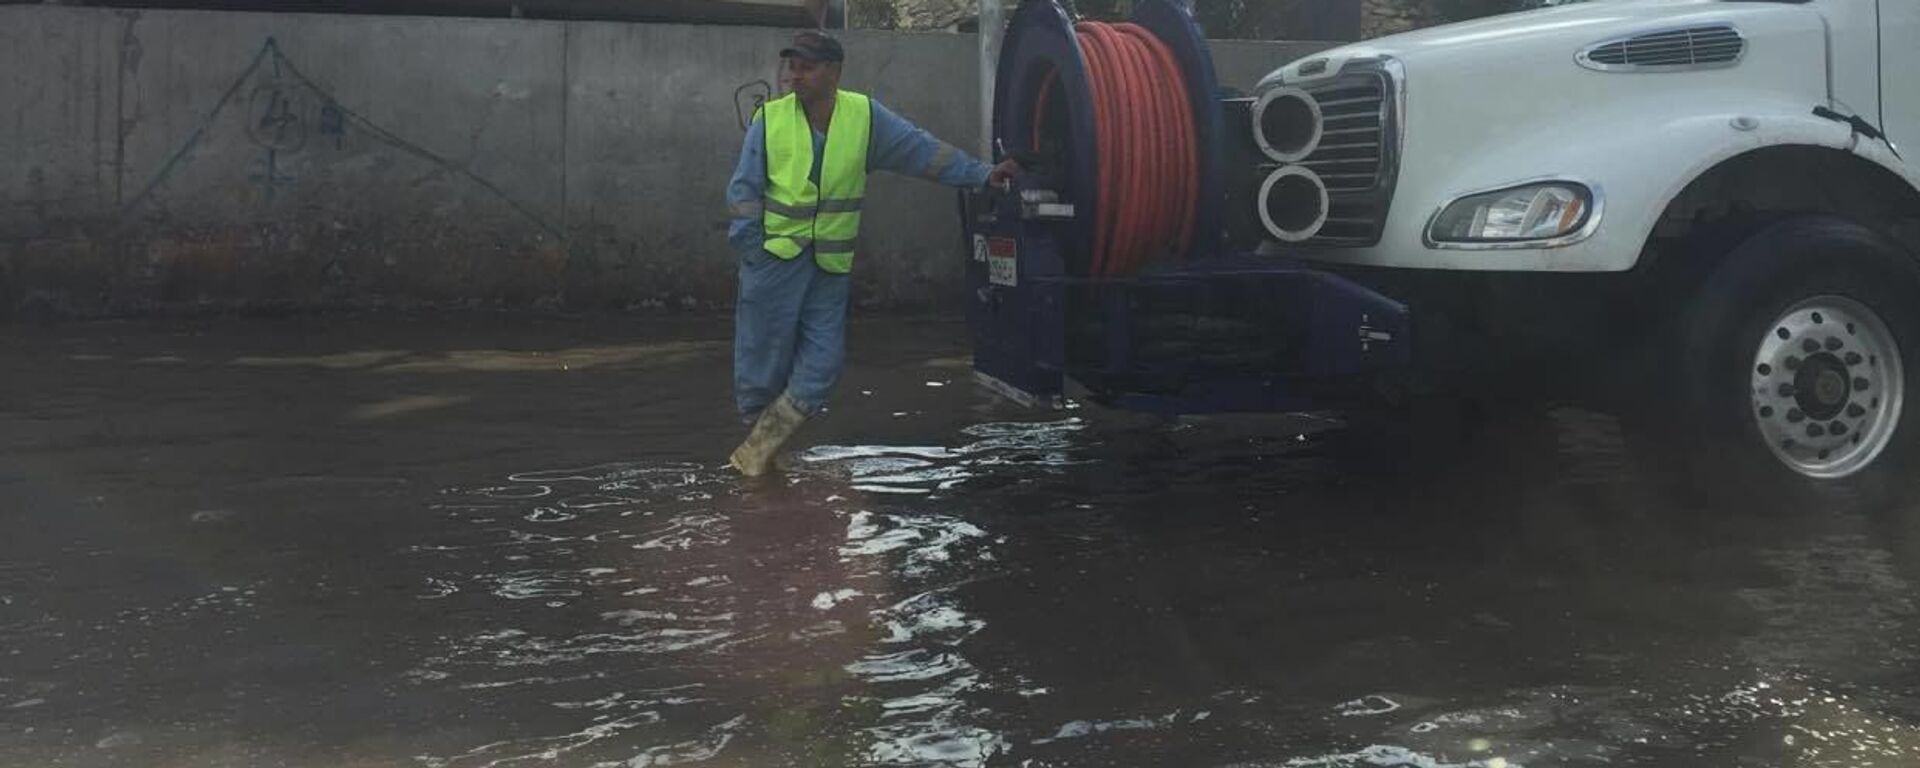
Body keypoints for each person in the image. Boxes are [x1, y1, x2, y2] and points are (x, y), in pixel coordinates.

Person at [723, 30, 1021, 476]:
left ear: (834, 73)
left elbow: (923, 152)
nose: (795, 75)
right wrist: (752, 249)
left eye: (806, 66)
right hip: (774, 261)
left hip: (829, 265)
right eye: (793, 66)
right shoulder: (771, 119)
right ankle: (762, 462)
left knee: (822, 366)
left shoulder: (863, 117)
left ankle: (757, 454)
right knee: (761, 365)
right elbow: (744, 191)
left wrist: (982, 175)